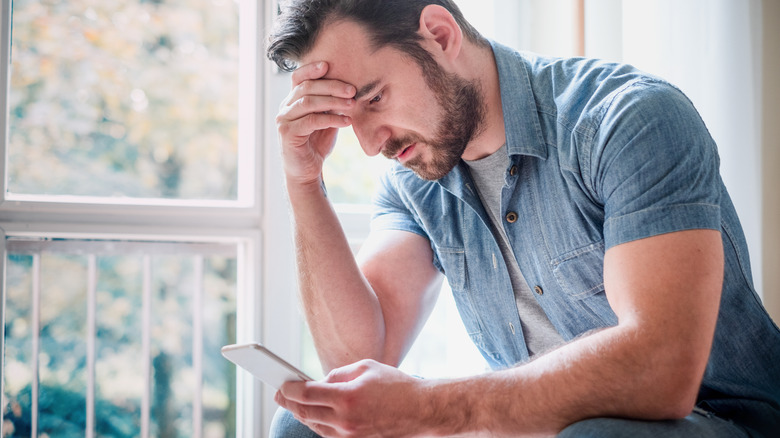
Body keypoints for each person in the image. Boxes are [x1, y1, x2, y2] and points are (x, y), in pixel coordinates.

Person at [266, 0, 780, 436]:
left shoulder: (627, 119)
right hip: (531, 426)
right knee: (307, 426)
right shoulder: (414, 179)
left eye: (375, 98)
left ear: (440, 35)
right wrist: (303, 181)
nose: (370, 144)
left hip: (706, 419)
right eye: (348, 120)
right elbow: (357, 359)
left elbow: (660, 371)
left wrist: (427, 407)